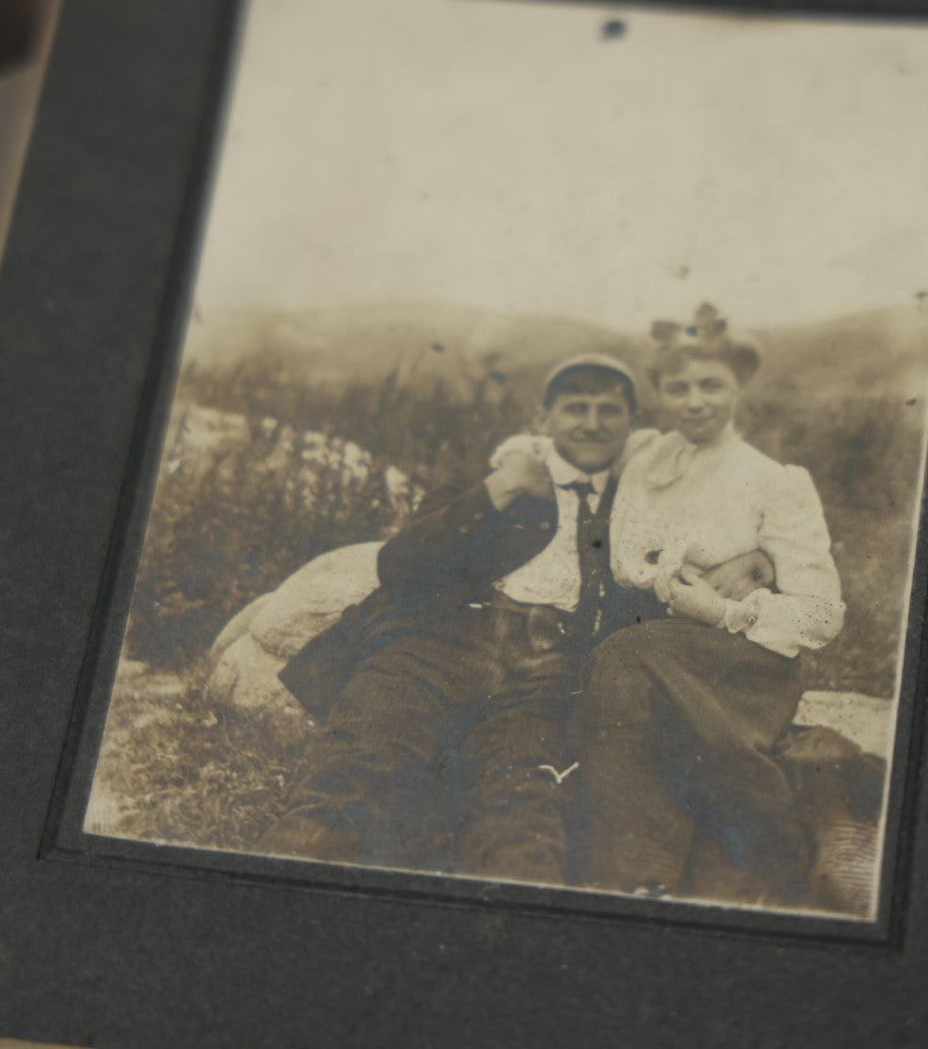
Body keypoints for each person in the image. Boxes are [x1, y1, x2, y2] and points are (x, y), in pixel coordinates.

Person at [262, 354, 770, 886]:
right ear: (543, 417)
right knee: (351, 779)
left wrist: (755, 563)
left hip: (546, 676)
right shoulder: (495, 473)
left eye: (608, 410)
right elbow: (400, 567)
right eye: (575, 408)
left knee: (524, 818)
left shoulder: (641, 503)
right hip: (430, 648)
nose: (592, 423)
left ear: (632, 423)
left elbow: (689, 567)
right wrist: (496, 495)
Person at [569, 303, 846, 904]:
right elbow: (561, 447)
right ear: (660, 394)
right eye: (678, 388)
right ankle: (682, 863)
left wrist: (726, 610)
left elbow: (822, 615)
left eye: (711, 385)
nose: (695, 401)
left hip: (738, 658)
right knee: (625, 674)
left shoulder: (775, 480)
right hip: (644, 652)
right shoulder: (642, 457)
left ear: (738, 388)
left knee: (624, 661)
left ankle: (633, 874)